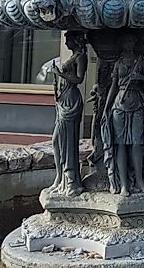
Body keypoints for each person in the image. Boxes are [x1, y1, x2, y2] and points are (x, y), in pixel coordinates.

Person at [101, 33, 144, 195]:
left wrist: (140, 77)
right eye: (125, 40)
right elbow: (113, 87)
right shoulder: (118, 64)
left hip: (137, 105)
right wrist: (106, 107)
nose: (128, 44)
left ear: (134, 43)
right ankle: (124, 184)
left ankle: (140, 181)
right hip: (119, 106)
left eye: (131, 40)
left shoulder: (140, 62)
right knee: (120, 145)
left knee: (137, 144)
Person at [50, 31, 87, 196]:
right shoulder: (73, 56)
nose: (65, 43)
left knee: (67, 140)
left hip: (72, 99)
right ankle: (60, 177)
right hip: (64, 98)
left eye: (68, 39)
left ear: (76, 41)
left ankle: (71, 179)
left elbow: (80, 79)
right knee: (56, 141)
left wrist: (60, 74)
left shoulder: (81, 57)